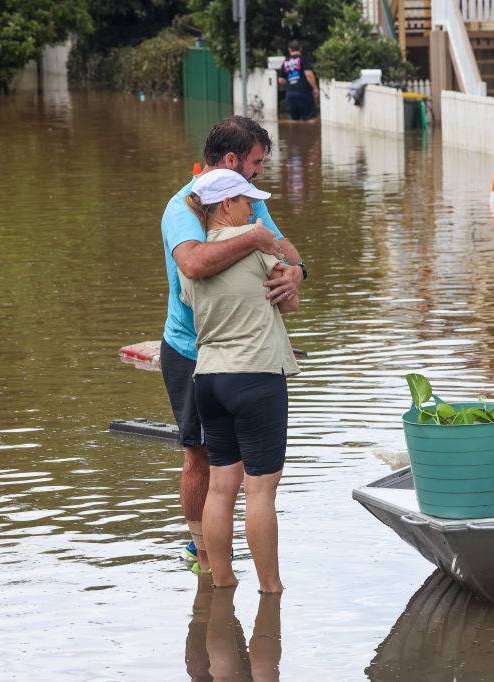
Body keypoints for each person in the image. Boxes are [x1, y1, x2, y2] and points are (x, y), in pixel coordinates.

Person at [161, 115, 307, 574]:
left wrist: (297, 274)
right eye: (256, 163)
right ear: (231, 161)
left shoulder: (244, 203)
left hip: (229, 356)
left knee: (228, 476)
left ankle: (217, 577)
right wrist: (258, 239)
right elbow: (194, 264)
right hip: (190, 349)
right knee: (199, 458)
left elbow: (285, 249)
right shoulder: (182, 209)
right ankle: (200, 551)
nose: (260, 173)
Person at [181, 169, 299, 593]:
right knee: (261, 492)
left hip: (210, 379)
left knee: (219, 488)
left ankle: (222, 580)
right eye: (248, 201)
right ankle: (271, 589)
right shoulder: (255, 243)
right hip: (256, 375)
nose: (255, 209)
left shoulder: (189, 259)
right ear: (226, 205)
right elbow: (290, 303)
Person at [277, 39, 319, 121]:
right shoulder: (303, 59)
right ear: (300, 49)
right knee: (311, 118)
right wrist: (315, 88)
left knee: (294, 120)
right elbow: (309, 74)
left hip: (290, 94)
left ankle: (294, 134)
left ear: (289, 49)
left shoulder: (285, 62)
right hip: (304, 92)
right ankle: (310, 134)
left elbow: (281, 80)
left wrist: (289, 82)